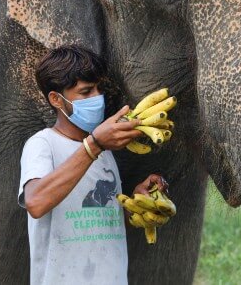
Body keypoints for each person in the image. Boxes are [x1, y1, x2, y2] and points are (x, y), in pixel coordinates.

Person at [18, 44, 167, 284]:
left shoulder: (104, 153)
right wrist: (94, 146)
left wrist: (136, 204)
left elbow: (100, 223)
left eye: (99, 89)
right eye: (86, 92)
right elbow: (35, 203)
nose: (97, 98)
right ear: (56, 99)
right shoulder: (42, 144)